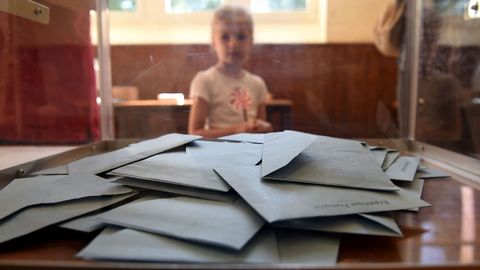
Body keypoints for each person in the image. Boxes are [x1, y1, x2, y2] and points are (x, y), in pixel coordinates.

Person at [188, 5, 273, 138]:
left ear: (251, 41)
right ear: (214, 43)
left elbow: (261, 126)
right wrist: (236, 130)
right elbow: (195, 132)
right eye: (225, 37)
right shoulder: (205, 80)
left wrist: (265, 128)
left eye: (241, 36)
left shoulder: (257, 84)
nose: (233, 44)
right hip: (218, 153)